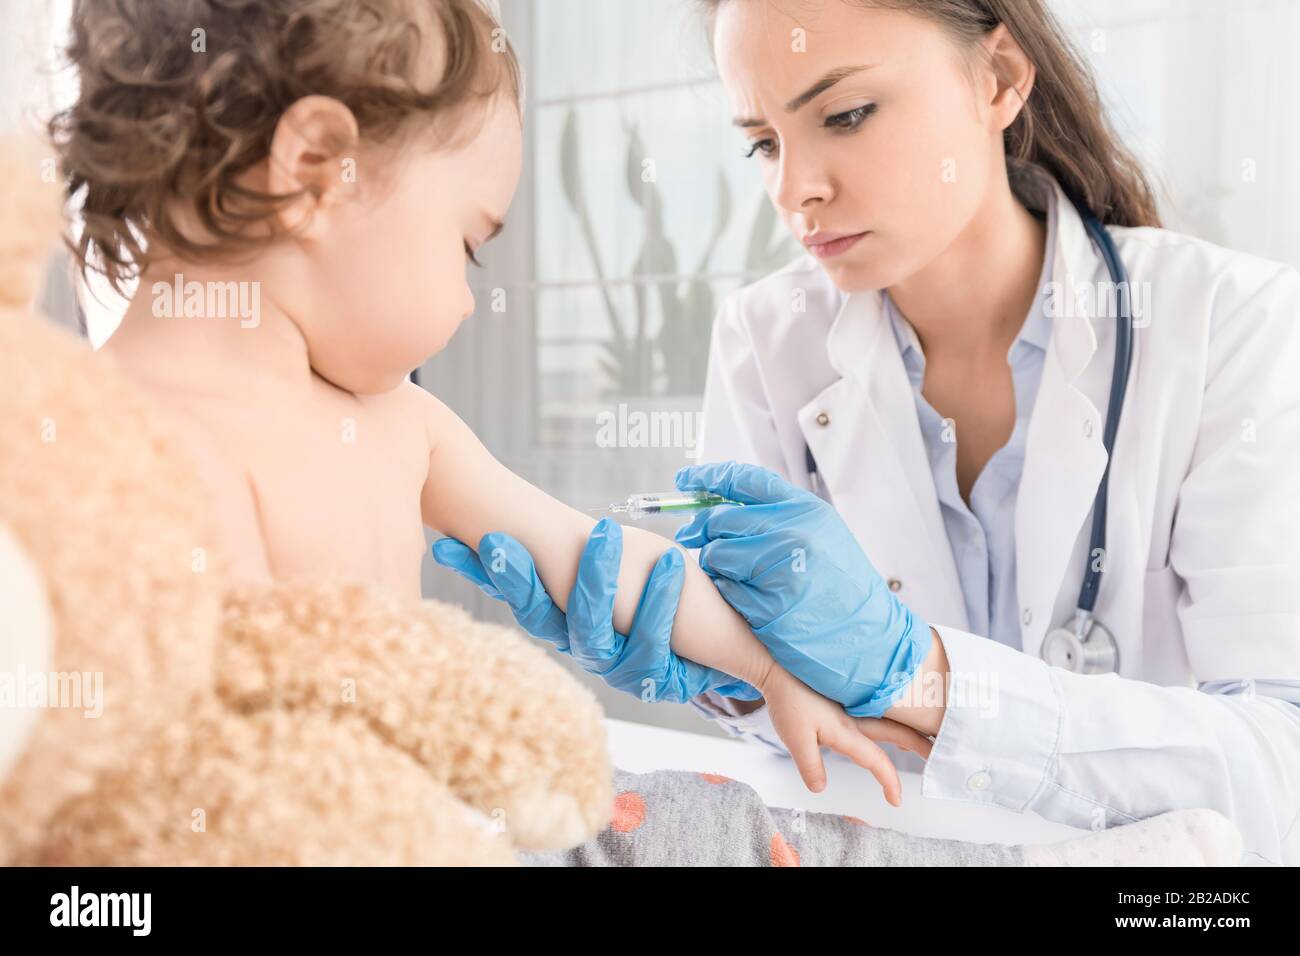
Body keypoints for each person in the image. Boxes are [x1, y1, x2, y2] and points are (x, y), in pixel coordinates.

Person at [435, 0, 1300, 866]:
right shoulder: (768, 340)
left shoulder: (1229, 326)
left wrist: (921, 673)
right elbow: (801, 734)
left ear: (997, 81)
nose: (794, 190)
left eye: (845, 115)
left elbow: (1280, 770)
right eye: (764, 142)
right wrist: (731, 680)